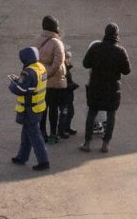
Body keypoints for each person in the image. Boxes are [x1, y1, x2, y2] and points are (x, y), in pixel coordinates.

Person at [79, 23, 131, 154]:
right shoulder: (120, 51)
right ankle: (105, 144)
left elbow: (85, 63)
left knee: (92, 113)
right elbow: (127, 71)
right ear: (117, 35)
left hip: (96, 85)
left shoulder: (96, 47)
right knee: (111, 114)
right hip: (112, 88)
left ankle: (87, 142)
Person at [8, 46, 51, 171]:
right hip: (39, 107)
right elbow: (31, 84)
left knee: (35, 135)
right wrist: (20, 80)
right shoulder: (40, 68)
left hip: (29, 109)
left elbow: (20, 89)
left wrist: (13, 83)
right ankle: (22, 156)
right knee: (26, 134)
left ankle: (43, 161)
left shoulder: (28, 72)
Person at [33, 16, 67, 144]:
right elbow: (58, 62)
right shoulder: (57, 43)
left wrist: (41, 75)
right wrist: (49, 74)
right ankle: (53, 133)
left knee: (42, 108)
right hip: (54, 82)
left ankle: (42, 132)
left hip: (39, 80)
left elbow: (33, 60)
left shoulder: (36, 40)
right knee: (53, 109)